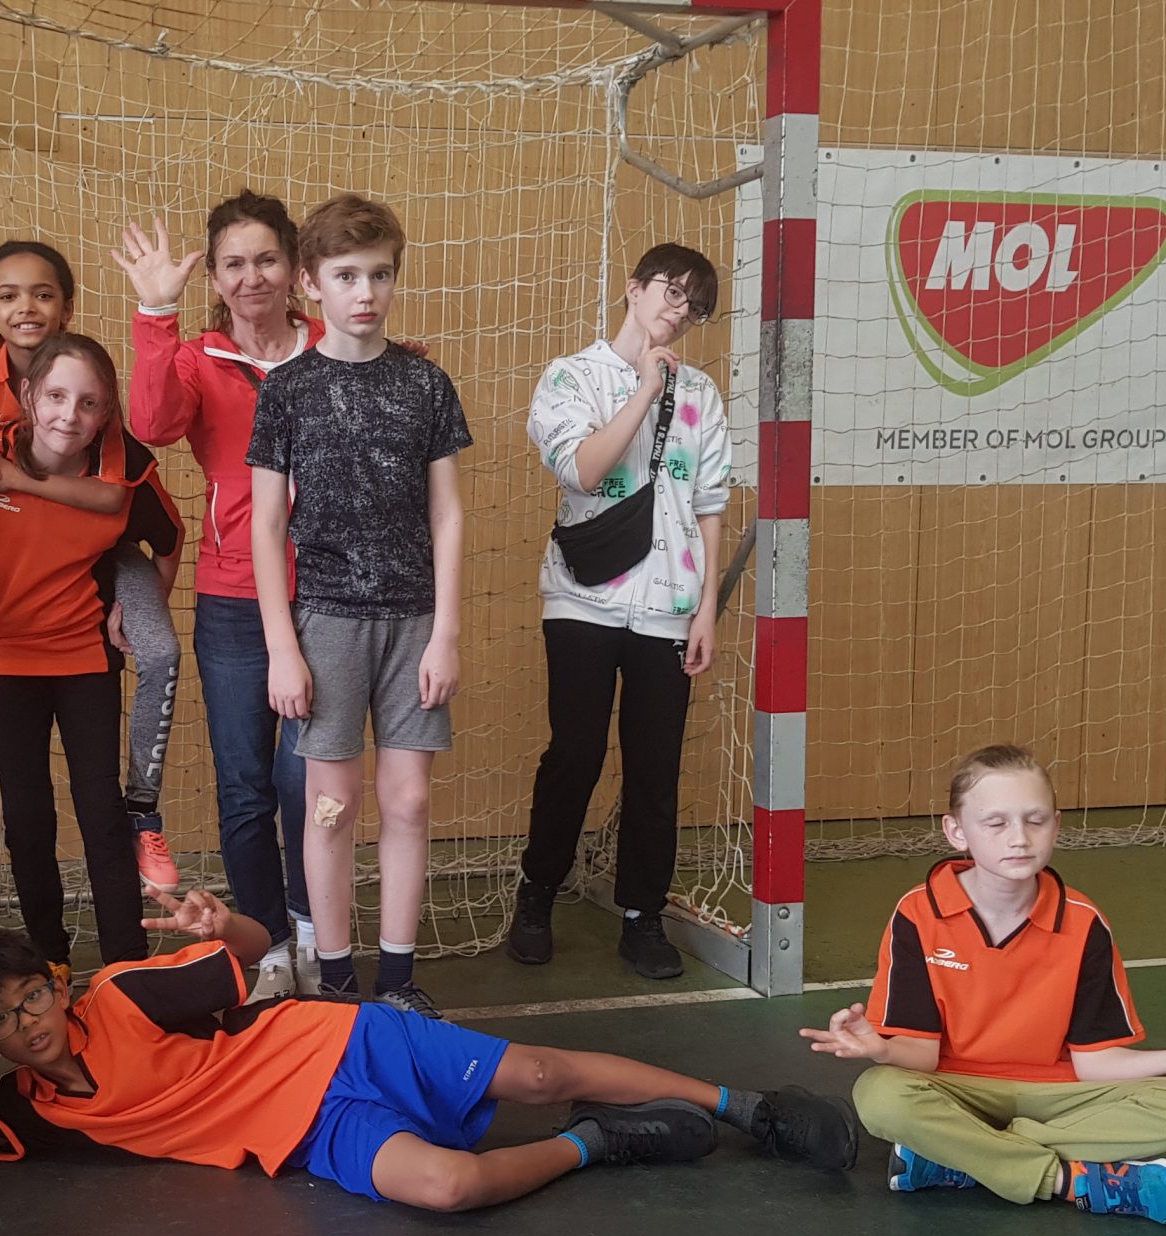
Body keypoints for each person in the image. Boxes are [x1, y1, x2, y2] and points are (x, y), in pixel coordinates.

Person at [0, 887, 858, 1212]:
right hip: (308, 1135)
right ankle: (601, 1141)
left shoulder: (122, 996)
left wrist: (221, 923)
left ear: (56, 985)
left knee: (538, 1072)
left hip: (337, 1042)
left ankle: (748, 1107)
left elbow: (251, 950)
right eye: (2, 1021)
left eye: (32, 996)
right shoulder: (31, 1112)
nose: (29, 1022)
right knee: (449, 1190)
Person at [800, 744, 1166, 1224]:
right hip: (955, 1090)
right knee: (879, 1094)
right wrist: (882, 1049)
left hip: (1058, 1095)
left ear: (1056, 826)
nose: (1019, 838)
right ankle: (1068, 1180)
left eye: (1034, 820)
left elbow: (1096, 1062)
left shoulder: (1084, 923)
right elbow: (922, 1056)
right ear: (956, 831)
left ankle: (962, 1156)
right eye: (996, 823)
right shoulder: (918, 914)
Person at [0, 240, 186, 891]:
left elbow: (113, 499)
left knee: (161, 650)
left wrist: (20, 481)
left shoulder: (88, 382)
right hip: (7, 538)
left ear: (67, 308)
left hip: (103, 546)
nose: (26, 307)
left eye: (43, 294)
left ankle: (142, 809)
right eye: (9, 295)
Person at [247, 194, 466, 1016]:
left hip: (414, 623)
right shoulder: (288, 390)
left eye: (379, 274)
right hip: (326, 623)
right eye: (345, 275)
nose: (365, 292)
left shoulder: (425, 383)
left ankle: (399, 981)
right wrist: (282, 647)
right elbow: (268, 525)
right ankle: (336, 981)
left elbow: (447, 514)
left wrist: (446, 633)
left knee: (408, 801)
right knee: (330, 808)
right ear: (311, 282)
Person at [505, 243, 735, 982]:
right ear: (634, 289)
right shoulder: (571, 377)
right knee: (574, 754)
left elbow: (709, 505)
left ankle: (643, 916)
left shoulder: (701, 394)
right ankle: (538, 893)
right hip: (583, 597)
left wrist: (706, 609)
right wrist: (645, 389)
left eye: (696, 305)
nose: (681, 311)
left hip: (670, 604)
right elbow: (582, 470)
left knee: (654, 768)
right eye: (672, 292)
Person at [119, 194, 326, 999]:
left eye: (267, 259)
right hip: (235, 598)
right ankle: (267, 942)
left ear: (294, 268)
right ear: (214, 276)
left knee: (309, 781)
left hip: (329, 595)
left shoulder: (334, 347)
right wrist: (155, 314)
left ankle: (314, 928)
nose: (252, 278)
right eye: (234, 264)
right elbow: (152, 421)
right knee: (245, 784)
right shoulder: (198, 358)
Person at [0, 333, 180, 974]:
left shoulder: (122, 475)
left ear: (106, 414)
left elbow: (170, 539)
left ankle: (125, 964)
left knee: (101, 814)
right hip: (7, 661)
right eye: (55, 396)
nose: (69, 415)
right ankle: (50, 959)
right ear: (27, 396)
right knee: (27, 818)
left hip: (85, 662)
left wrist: (138, 607)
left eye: (88, 403)